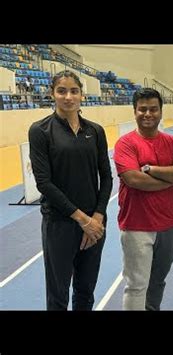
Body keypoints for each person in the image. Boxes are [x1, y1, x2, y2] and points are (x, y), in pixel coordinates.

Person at [28, 70, 112, 310]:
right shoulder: (40, 131)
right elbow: (44, 183)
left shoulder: (95, 130)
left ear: (82, 95)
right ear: (52, 94)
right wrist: (81, 219)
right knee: (58, 295)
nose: (68, 97)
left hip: (94, 225)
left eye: (74, 91)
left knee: (85, 292)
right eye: (61, 91)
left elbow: (106, 176)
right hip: (60, 224)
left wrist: (97, 216)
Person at [113, 88, 173, 310]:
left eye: (153, 109)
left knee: (157, 282)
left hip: (167, 225)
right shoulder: (125, 144)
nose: (148, 114)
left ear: (160, 111)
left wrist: (150, 169)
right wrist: (169, 178)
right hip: (137, 225)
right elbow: (134, 180)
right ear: (134, 111)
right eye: (142, 109)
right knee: (137, 285)